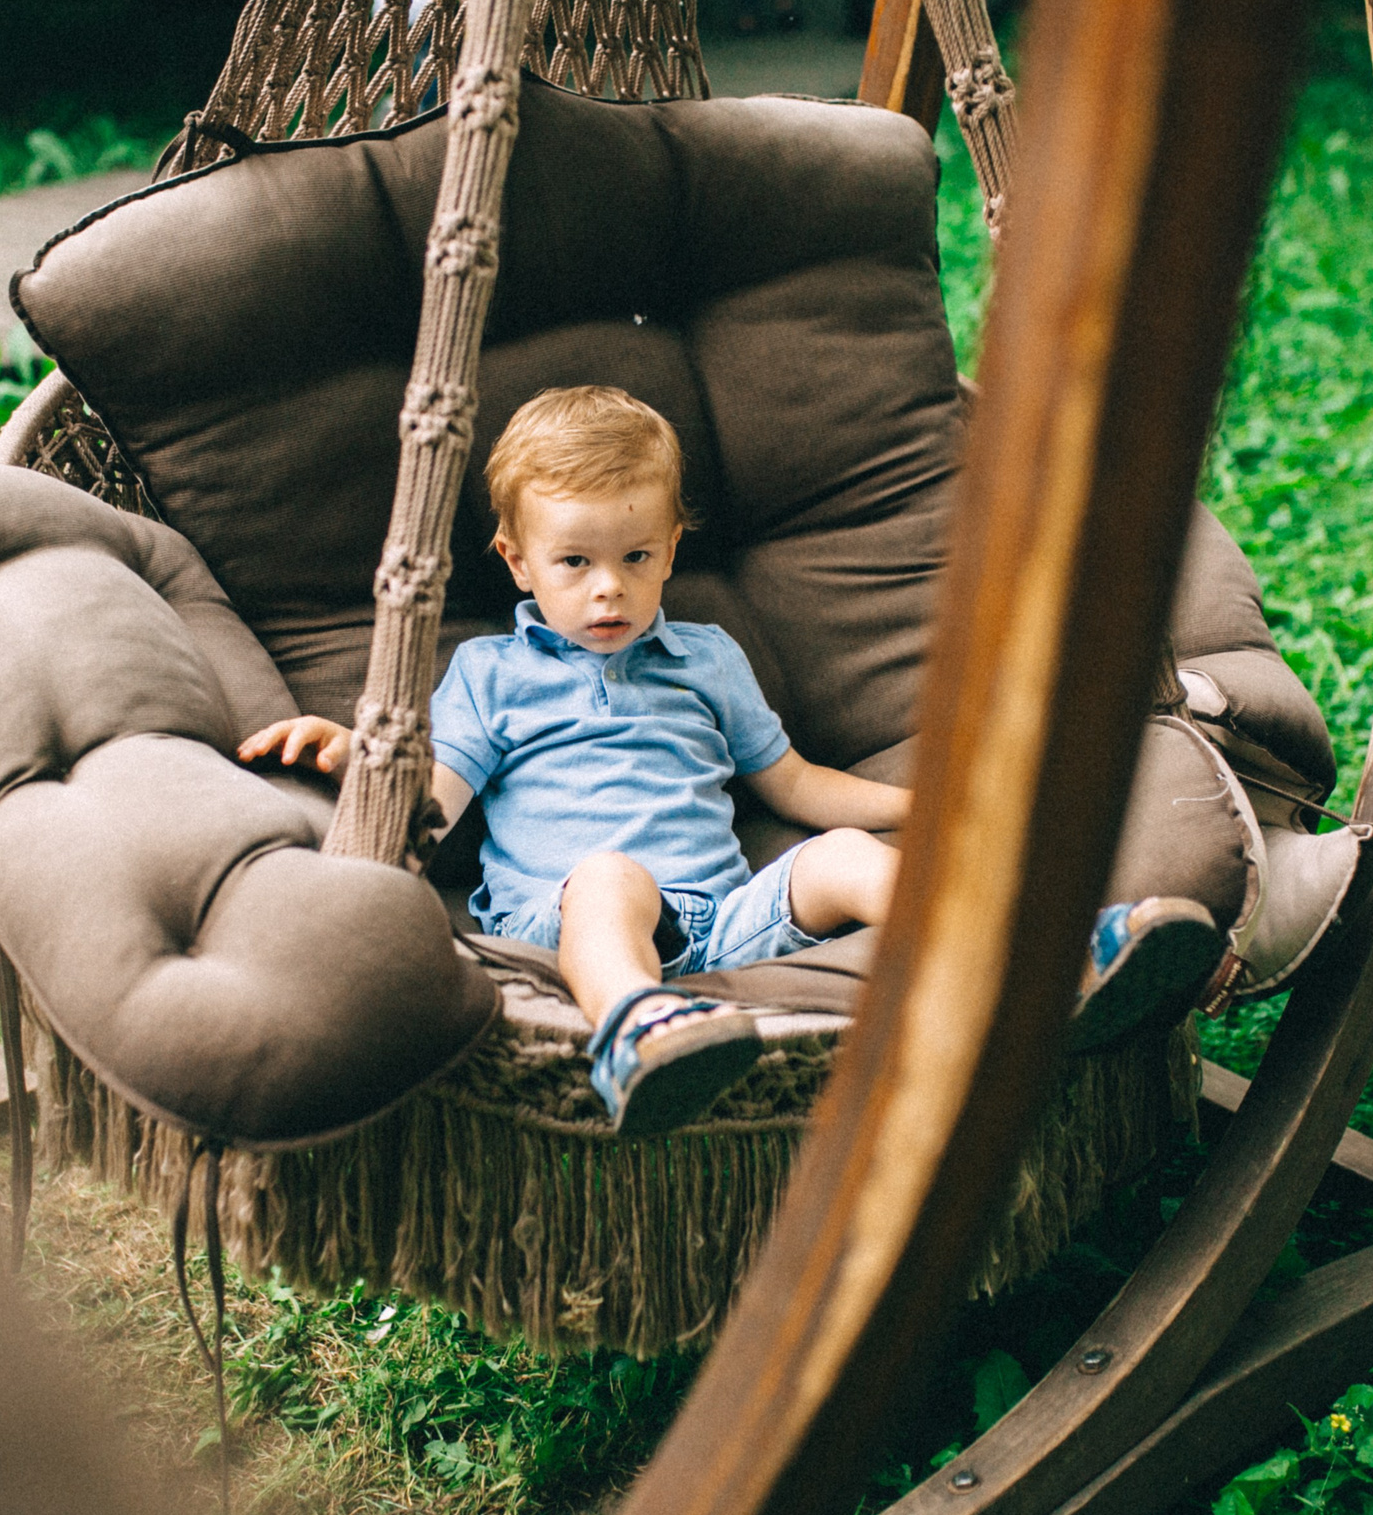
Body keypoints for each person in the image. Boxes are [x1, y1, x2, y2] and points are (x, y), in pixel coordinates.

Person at [241, 386, 1218, 1136]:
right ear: (516, 562)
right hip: (561, 927)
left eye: (636, 556)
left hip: (717, 923)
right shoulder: (489, 674)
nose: (609, 590)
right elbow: (433, 807)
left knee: (835, 853)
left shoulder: (706, 658)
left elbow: (790, 784)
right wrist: (357, 759)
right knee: (611, 875)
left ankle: (1052, 959)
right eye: (575, 562)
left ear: (672, 547)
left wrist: (920, 804)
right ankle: (634, 1031)